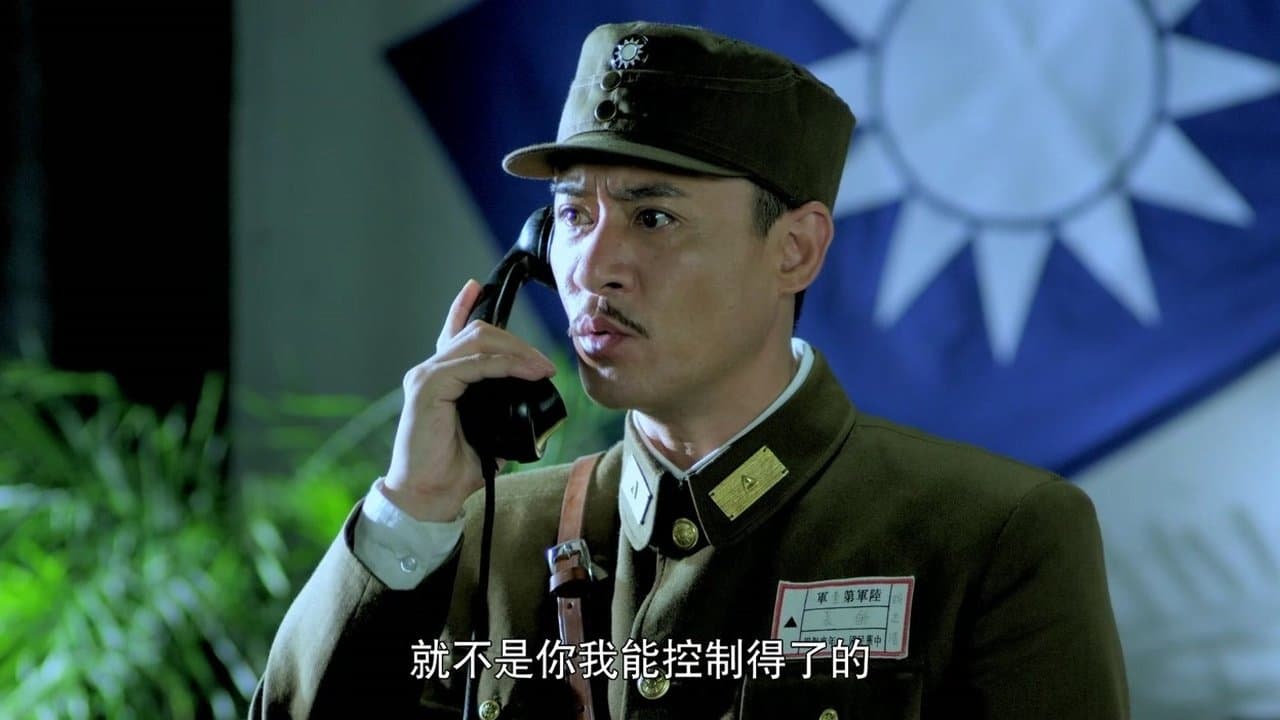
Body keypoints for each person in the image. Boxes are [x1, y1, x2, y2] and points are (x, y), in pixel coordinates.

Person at [251, 20, 1129, 719]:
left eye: (653, 217)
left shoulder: (989, 538)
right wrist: (409, 510)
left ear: (795, 249)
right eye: (572, 215)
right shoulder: (483, 537)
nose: (594, 268)